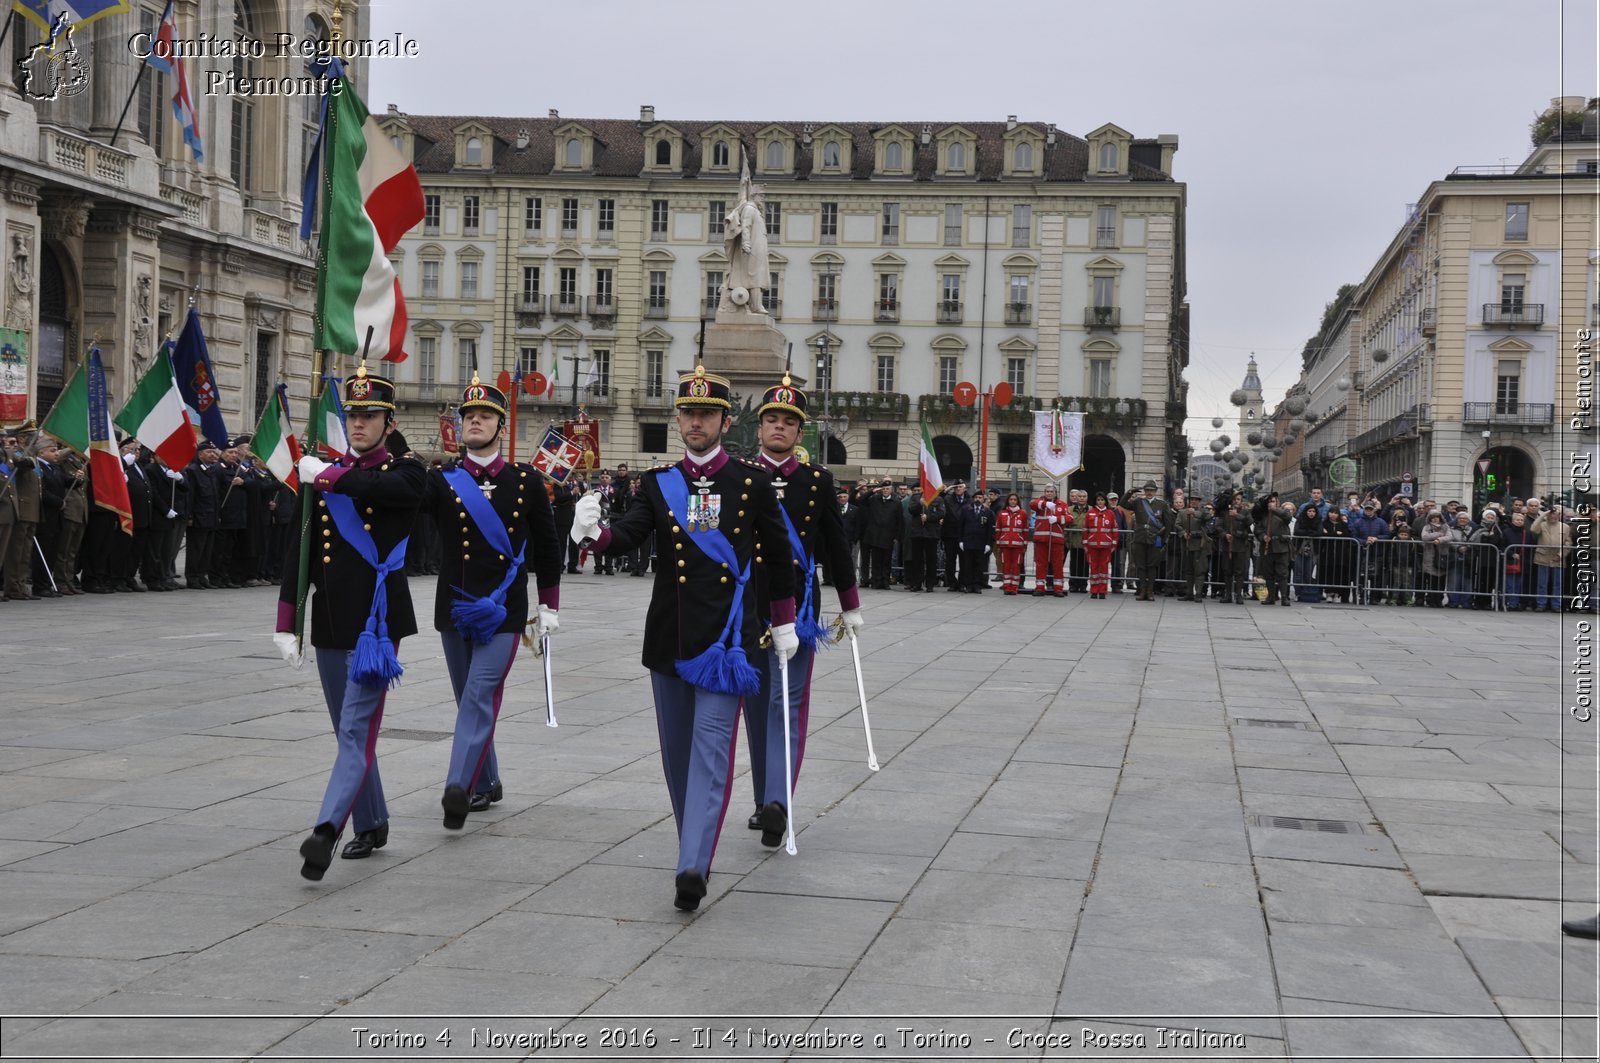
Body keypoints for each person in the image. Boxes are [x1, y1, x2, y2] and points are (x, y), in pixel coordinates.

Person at [570, 366, 796, 912]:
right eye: (688, 413)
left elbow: (778, 554)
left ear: (723, 420)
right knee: (676, 758)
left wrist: (784, 621)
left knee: (711, 753)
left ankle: (693, 866)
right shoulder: (656, 483)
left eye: (707, 414)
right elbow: (629, 535)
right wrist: (594, 532)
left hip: (726, 641)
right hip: (670, 636)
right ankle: (690, 841)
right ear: (678, 420)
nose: (697, 422)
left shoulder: (752, 482)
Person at [275, 366, 427, 881]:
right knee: (347, 730)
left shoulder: (406, 470)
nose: (358, 424)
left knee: (357, 728)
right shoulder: (326, 473)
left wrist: (325, 475)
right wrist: (287, 618)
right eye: (353, 415)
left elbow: (385, 491)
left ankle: (326, 829)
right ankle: (373, 819)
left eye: (369, 416)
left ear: (389, 421)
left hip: (378, 623)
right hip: (331, 617)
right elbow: (299, 549)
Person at [420, 376, 563, 832]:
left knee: (480, 693)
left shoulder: (524, 482)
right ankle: (490, 779)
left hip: (504, 611)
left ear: (501, 426)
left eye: (484, 416)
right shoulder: (442, 480)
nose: (474, 421)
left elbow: (547, 545)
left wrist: (549, 606)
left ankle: (458, 786)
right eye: (468, 416)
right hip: (455, 605)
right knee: (469, 700)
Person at [741, 375, 861, 844]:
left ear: (798, 432)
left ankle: (778, 802)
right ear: (759, 427)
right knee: (754, 706)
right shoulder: (735, 476)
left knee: (785, 704)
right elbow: (706, 536)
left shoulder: (817, 481)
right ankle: (762, 799)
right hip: (743, 608)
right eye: (771, 419)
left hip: (798, 606)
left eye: (788, 422)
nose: (778, 428)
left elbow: (835, 546)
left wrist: (849, 605)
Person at [1126, 480, 1171, 601]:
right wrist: (1130, 492)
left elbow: (1168, 523)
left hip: (1156, 539)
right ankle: (1142, 591)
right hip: (1140, 538)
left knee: (1152, 566)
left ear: (1156, 491)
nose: (1149, 492)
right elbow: (1123, 504)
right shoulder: (1139, 502)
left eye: (1151, 490)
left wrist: (1165, 540)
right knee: (1140, 566)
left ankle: (1150, 591)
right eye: (1147, 490)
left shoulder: (1162, 504)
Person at [859, 477, 899, 590]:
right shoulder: (874, 499)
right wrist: (872, 490)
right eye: (883, 488)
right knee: (876, 561)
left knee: (886, 561)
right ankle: (876, 581)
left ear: (891, 490)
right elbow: (861, 500)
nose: (885, 490)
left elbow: (899, 520)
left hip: (888, 536)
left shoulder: (896, 502)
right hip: (875, 536)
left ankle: (885, 581)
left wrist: (896, 536)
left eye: (887, 488)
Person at [1212, 493, 1253, 604]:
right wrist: (1225, 534)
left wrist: (1237, 516)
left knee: (1239, 572)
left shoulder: (1245, 512)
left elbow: (1249, 522)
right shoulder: (1224, 512)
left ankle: (1238, 595)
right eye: (1234, 499)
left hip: (1240, 546)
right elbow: (1218, 526)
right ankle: (1228, 594)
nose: (1236, 501)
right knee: (1227, 571)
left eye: (1238, 499)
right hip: (1227, 545)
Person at [1029, 484, 1068, 597]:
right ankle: (1040, 588)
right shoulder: (1040, 503)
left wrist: (1058, 519)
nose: (1049, 493)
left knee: (1057, 565)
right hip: (1042, 539)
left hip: (1056, 539)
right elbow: (1032, 504)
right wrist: (1046, 504)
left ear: (1055, 493)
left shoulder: (1062, 505)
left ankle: (1058, 588)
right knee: (1041, 564)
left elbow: (1070, 518)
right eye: (1047, 491)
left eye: (1051, 491)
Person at [1531, 504, 1571, 611]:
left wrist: (1561, 555)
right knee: (1542, 583)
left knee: (1558, 584)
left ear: (1559, 516)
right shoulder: (1542, 525)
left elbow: (1568, 543)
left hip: (1558, 558)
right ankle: (1541, 604)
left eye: (1555, 514)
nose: (1553, 516)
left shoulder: (1565, 527)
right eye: (1551, 514)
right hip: (1543, 557)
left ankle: (1556, 605)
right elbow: (1533, 529)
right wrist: (1542, 516)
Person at [1293, 488, 1329, 603]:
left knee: (1309, 571)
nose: (1311, 513)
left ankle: (1307, 592)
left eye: (1318, 493)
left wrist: (1309, 532)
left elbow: (1319, 532)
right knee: (1298, 571)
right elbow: (1297, 531)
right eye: (1314, 493)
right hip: (1300, 548)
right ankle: (1298, 592)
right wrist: (1310, 532)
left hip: (1313, 549)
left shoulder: (1324, 511)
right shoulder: (1303, 508)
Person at [1256, 499, 1294, 606]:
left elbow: (1288, 517)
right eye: (1270, 501)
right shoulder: (1263, 516)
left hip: (1281, 547)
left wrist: (1275, 510)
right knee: (1268, 574)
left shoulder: (1283, 512)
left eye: (1274, 501)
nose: (1271, 503)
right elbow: (1257, 530)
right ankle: (1271, 597)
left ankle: (1284, 597)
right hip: (1268, 547)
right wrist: (1263, 536)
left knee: (1282, 574)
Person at [958, 484, 994, 592]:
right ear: (973, 499)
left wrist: (988, 543)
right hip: (968, 541)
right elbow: (960, 526)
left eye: (980, 498)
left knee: (979, 565)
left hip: (980, 543)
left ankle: (977, 585)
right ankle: (968, 585)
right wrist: (960, 540)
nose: (978, 499)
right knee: (968, 565)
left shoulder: (988, 512)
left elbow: (990, 529)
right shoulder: (966, 510)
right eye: (976, 498)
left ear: (983, 499)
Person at [903, 486, 940, 592]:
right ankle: (917, 583)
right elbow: (911, 510)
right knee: (917, 560)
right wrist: (920, 503)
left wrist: (928, 517)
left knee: (931, 560)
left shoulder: (938, 498)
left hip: (931, 534)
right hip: (917, 533)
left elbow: (941, 513)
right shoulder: (915, 498)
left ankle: (930, 584)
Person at [1174, 493, 1210, 601]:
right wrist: (1183, 533)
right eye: (1192, 499)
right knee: (1188, 570)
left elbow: (1208, 517)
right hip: (1187, 544)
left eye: (1197, 500)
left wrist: (1195, 513)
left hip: (1199, 545)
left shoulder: (1203, 511)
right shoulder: (1182, 512)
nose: (1194, 501)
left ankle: (1198, 593)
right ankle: (1189, 592)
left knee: (1199, 571)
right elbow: (1177, 524)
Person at [1084, 492, 1118, 599]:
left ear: (1105, 501)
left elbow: (1114, 530)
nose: (1100, 502)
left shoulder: (1110, 513)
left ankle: (1103, 590)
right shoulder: (1090, 513)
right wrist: (1085, 543)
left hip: (1106, 546)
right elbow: (1085, 530)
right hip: (1092, 545)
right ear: (1095, 501)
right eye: (1098, 500)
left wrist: (1113, 544)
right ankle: (1094, 590)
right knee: (1094, 568)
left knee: (1104, 569)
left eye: (1102, 500)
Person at [994, 492, 1029, 595]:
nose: (1013, 501)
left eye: (1015, 499)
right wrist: (998, 544)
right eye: (1011, 499)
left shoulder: (1023, 513)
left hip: (1018, 545)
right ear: (1007, 501)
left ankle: (1014, 587)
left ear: (1017, 501)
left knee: (1016, 566)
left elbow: (1025, 530)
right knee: (1006, 566)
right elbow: (998, 530)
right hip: (1005, 545)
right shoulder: (1002, 513)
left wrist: (1025, 545)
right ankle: (1006, 586)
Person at [1419, 510, 1453, 608]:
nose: (1435, 519)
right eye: (1432, 517)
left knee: (1441, 580)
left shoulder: (1445, 526)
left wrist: (1440, 540)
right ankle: (1432, 600)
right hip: (1430, 555)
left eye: (1437, 517)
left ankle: (1439, 600)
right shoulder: (1427, 527)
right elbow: (1424, 537)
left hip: (1442, 555)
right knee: (1432, 580)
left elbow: (1450, 537)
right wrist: (1438, 535)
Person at [1065, 488, 1089, 593]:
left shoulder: (1091, 510)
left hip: (1086, 543)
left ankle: (1083, 585)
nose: (1082, 499)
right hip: (1074, 541)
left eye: (1084, 497)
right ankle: (1073, 584)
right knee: (1073, 564)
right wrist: (1066, 539)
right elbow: (1065, 525)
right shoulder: (1069, 510)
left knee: (1085, 565)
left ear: (1087, 498)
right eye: (1079, 496)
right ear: (1076, 498)